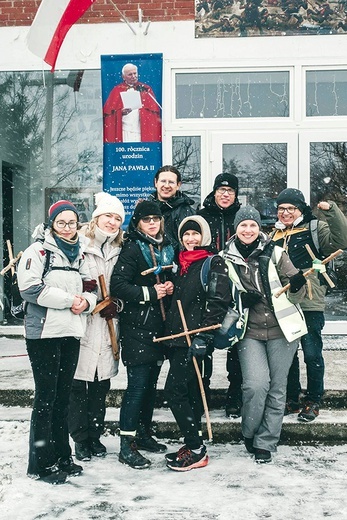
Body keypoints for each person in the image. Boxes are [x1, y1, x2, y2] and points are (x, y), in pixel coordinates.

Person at [17, 200, 97, 485]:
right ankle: (41, 463)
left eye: (72, 222)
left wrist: (86, 303)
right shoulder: (37, 251)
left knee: (63, 398)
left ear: (78, 224)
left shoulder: (81, 254)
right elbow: (29, 288)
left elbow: (92, 286)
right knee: (46, 398)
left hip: (71, 331)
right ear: (52, 224)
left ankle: (63, 456)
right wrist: (69, 301)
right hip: (44, 334)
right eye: (61, 222)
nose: (66, 228)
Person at [221, 206, 307, 463]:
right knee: (256, 385)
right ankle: (249, 432)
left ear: (260, 229)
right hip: (250, 331)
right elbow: (220, 297)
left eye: (253, 225)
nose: (248, 230)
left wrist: (298, 285)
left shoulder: (277, 252)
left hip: (283, 330)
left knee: (277, 388)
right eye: (243, 225)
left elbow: (296, 290)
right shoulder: (224, 258)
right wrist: (239, 300)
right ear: (235, 230)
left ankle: (266, 442)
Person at [272, 188, 347, 422]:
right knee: (289, 354)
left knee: (312, 353)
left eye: (290, 208)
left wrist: (332, 211)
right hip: (285, 303)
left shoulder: (315, 228)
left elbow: (341, 241)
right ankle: (292, 398)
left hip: (310, 301)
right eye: (281, 208)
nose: (285, 213)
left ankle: (314, 400)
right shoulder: (274, 234)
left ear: (300, 209)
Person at [110, 200, 175, 469]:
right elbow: (118, 285)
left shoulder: (168, 246)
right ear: (137, 223)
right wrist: (150, 293)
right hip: (137, 327)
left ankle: (144, 433)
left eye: (155, 218)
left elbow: (175, 277)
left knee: (150, 386)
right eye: (146, 219)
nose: (152, 223)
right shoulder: (133, 248)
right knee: (137, 386)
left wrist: (171, 284)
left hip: (161, 327)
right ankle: (126, 444)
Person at [163, 215, 230, 471]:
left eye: (195, 234)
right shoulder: (180, 265)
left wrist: (204, 336)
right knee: (189, 393)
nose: (191, 239)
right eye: (186, 235)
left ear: (205, 237)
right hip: (177, 340)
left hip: (195, 339)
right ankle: (193, 445)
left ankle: (196, 447)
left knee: (174, 391)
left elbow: (218, 302)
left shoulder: (212, 263)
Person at [68, 192, 125, 462]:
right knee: (78, 385)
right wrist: (84, 293)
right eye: (108, 216)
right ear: (96, 217)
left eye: (117, 218)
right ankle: (80, 439)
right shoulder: (78, 244)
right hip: (80, 324)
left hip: (108, 326)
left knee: (101, 385)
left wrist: (118, 306)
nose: (112, 223)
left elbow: (123, 288)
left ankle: (95, 435)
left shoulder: (120, 249)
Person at [197, 172, 242, 417]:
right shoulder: (202, 217)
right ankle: (202, 392)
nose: (225, 194)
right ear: (214, 192)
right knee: (206, 341)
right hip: (209, 289)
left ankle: (234, 397)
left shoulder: (241, 218)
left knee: (236, 343)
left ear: (236, 194)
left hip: (236, 289)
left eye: (230, 191)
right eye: (221, 190)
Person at [103, 63, 161, 143]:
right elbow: (109, 114)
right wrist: (120, 112)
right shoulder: (117, 90)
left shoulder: (145, 89)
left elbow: (153, 114)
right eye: (130, 74)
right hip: (125, 130)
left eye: (135, 73)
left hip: (141, 130)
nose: (133, 76)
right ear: (123, 77)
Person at [148, 165, 195, 254]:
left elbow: (190, 245)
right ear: (156, 183)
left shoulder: (187, 212)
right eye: (163, 181)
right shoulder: (144, 210)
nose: (166, 185)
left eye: (171, 182)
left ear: (178, 185)